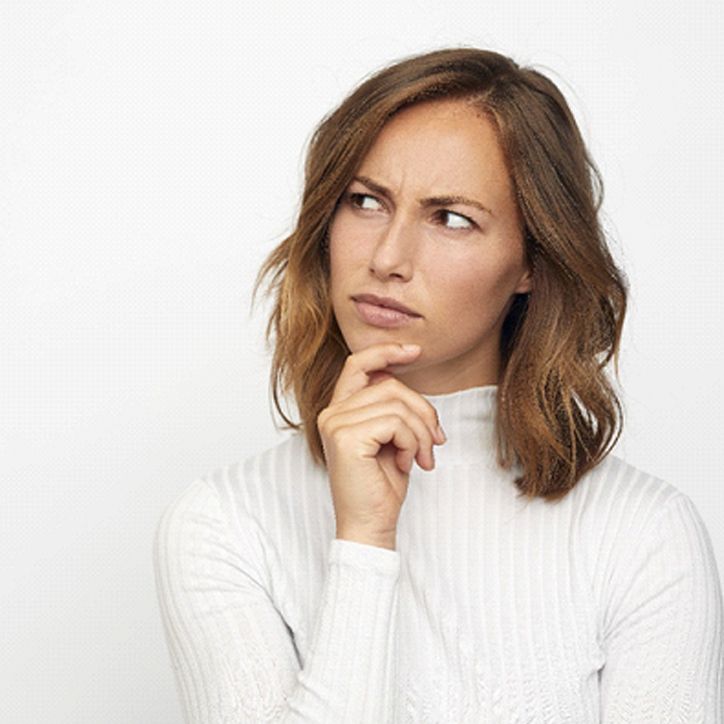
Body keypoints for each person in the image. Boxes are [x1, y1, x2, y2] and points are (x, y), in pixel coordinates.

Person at [153, 47, 723, 722]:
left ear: (531, 263)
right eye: (365, 202)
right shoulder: (225, 524)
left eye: (452, 218)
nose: (388, 258)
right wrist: (363, 539)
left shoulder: (643, 533)